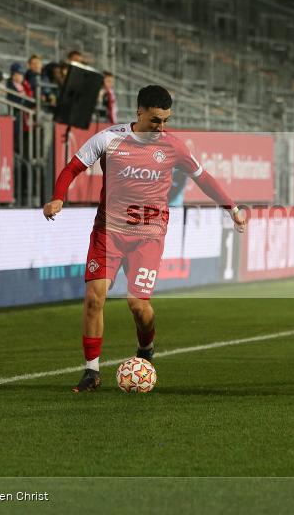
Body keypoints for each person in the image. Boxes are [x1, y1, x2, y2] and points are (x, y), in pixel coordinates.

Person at [43, 85, 248, 393]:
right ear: (139, 112)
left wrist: (231, 208)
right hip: (108, 231)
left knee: (138, 306)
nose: (161, 127)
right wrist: (58, 198)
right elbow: (72, 168)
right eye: (155, 120)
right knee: (94, 298)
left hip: (148, 236)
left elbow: (203, 178)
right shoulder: (109, 139)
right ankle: (91, 371)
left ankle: (146, 347)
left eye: (166, 120)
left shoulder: (173, 147)